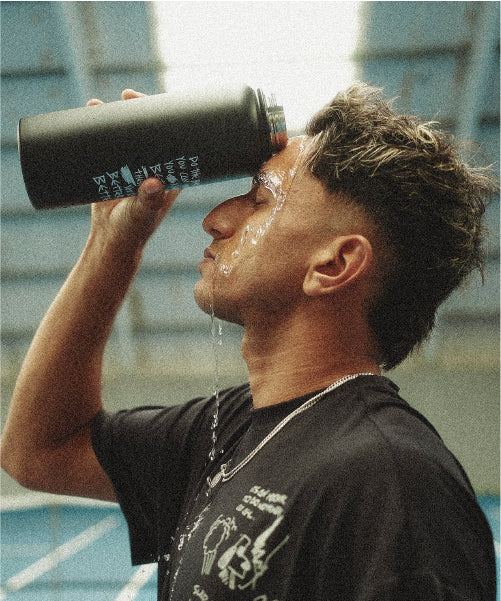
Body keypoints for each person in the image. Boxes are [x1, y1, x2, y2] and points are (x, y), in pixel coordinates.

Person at [1, 84, 497, 600]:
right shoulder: (226, 429)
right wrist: (113, 240)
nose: (215, 219)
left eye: (260, 201)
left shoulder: (393, 485)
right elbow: (39, 451)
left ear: (334, 265)